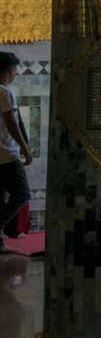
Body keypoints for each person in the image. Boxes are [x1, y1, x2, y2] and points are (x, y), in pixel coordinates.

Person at [0, 53, 30, 257]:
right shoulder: (5, 92)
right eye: (15, 69)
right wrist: (25, 149)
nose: (16, 74)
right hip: (6, 154)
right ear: (10, 69)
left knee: (1, 198)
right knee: (22, 193)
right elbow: (11, 123)